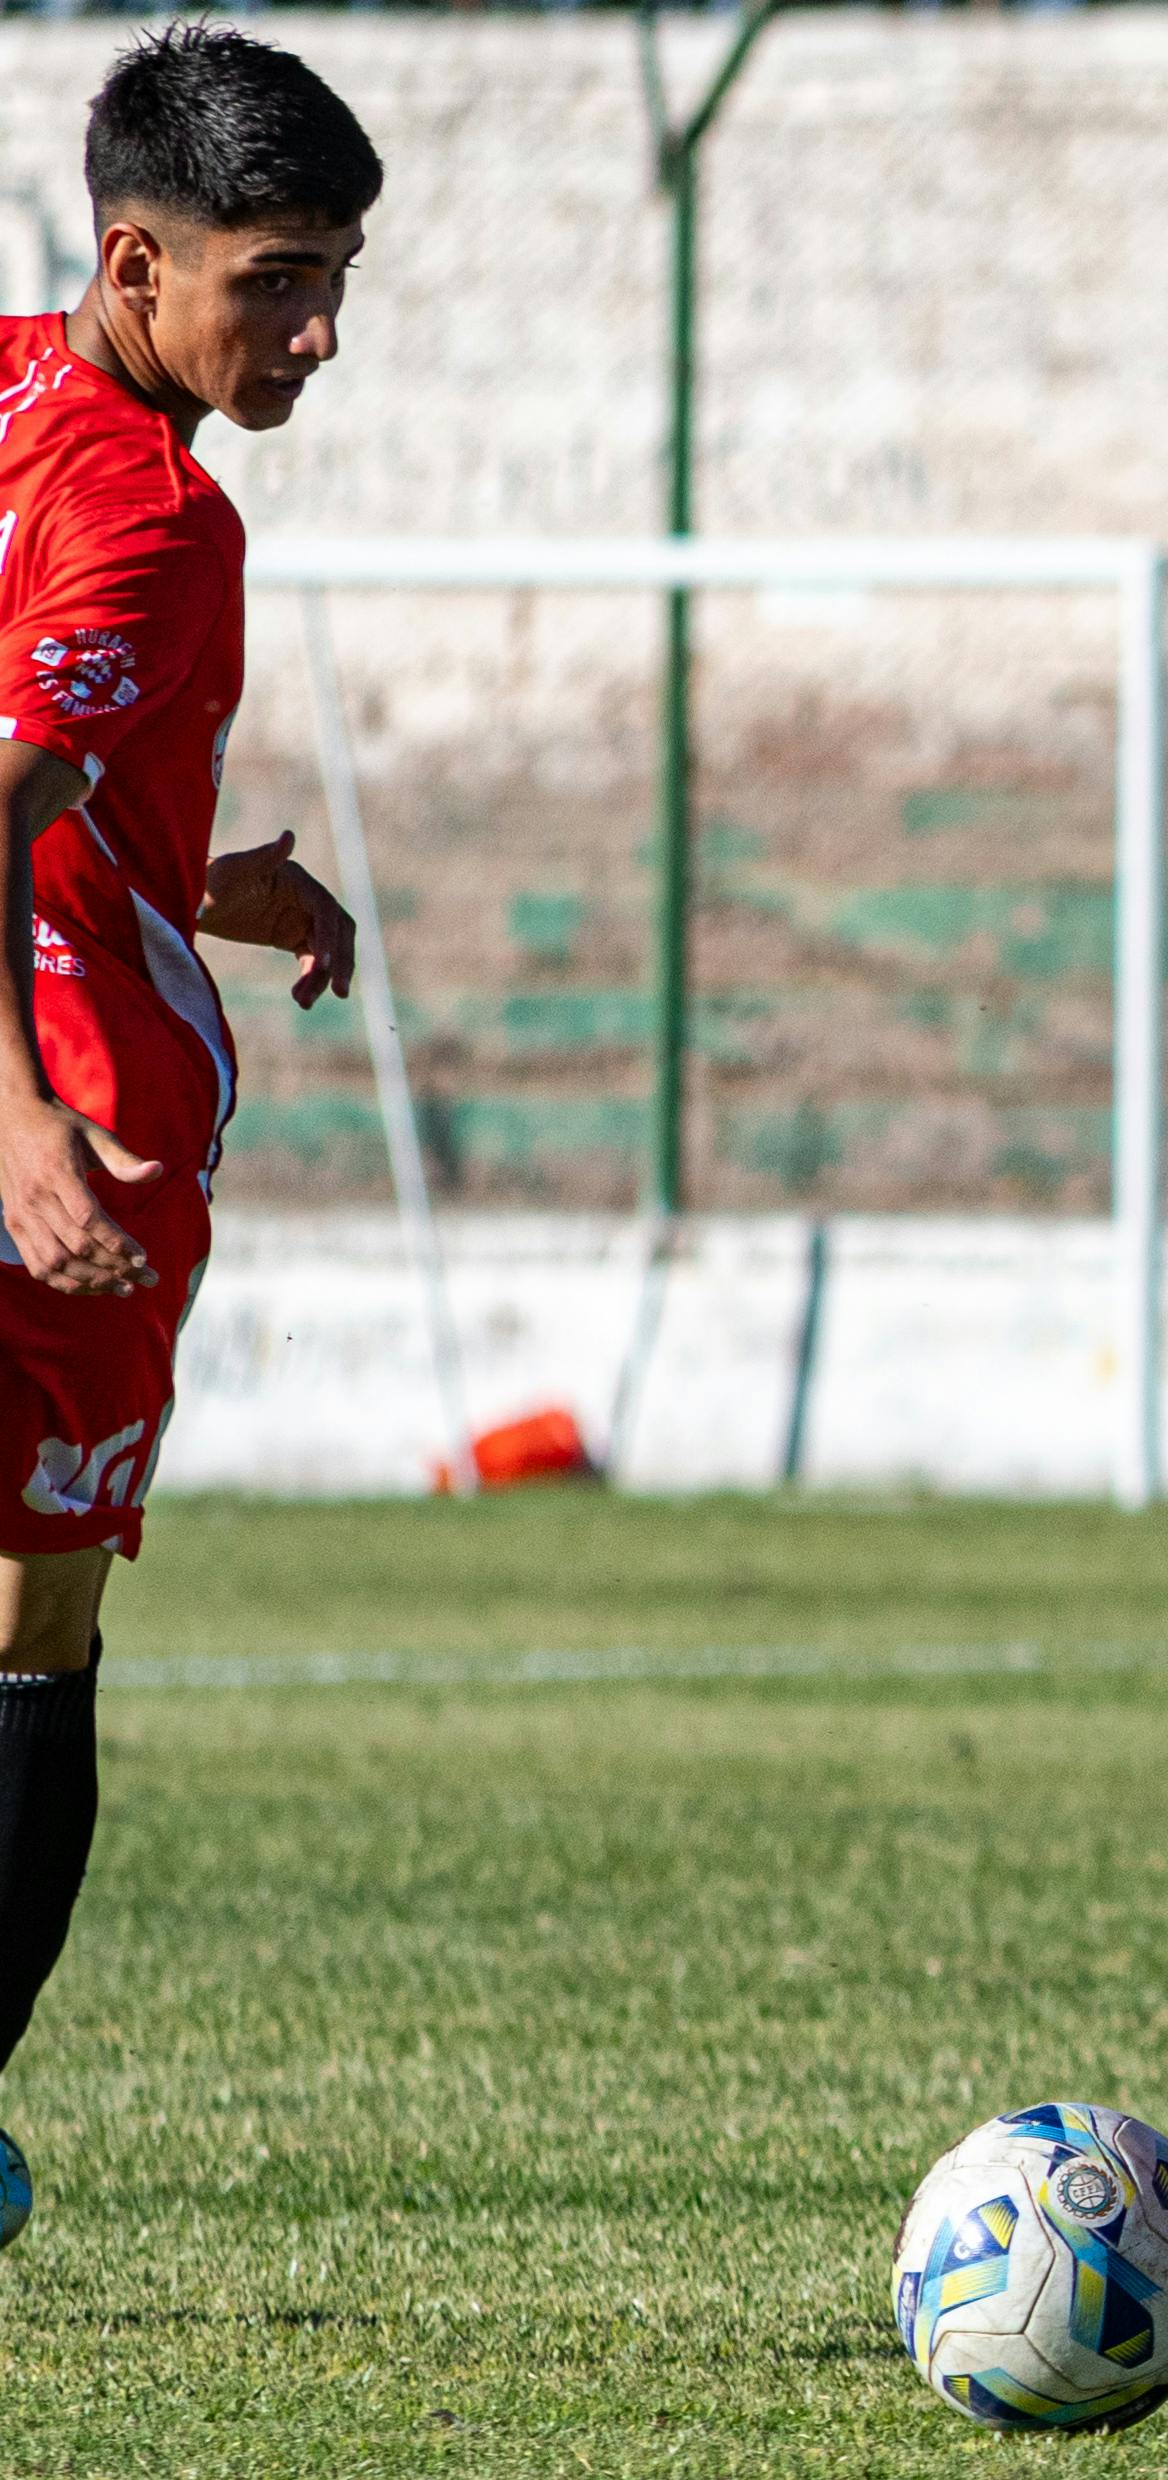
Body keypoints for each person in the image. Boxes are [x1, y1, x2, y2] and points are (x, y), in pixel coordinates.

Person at [0, 28, 374, 2260]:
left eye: (337, 279)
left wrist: (202, 875)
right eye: (278, 280)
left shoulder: (12, 390)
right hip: (79, 1141)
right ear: (139, 262)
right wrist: (22, 1125)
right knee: (35, 1628)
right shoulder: (161, 519)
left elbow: (49, 792)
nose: (317, 333)